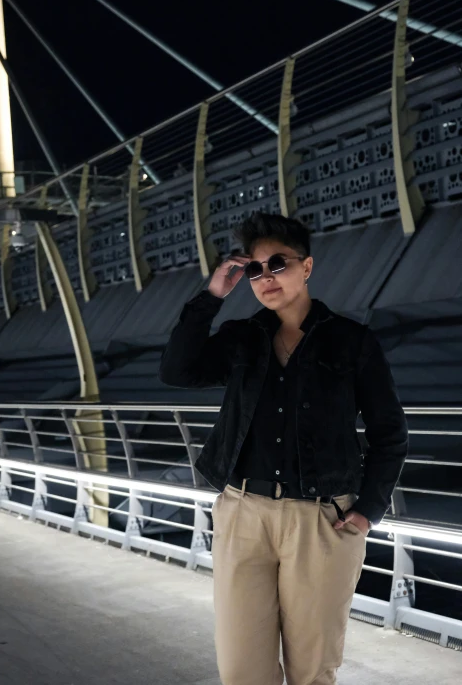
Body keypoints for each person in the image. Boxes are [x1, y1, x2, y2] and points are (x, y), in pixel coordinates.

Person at [159, 212, 408, 685]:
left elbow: (389, 432)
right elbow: (177, 370)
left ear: (307, 267)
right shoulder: (242, 339)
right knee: (240, 671)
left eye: (279, 263)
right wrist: (213, 295)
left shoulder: (352, 341)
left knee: (312, 671)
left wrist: (367, 511)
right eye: (255, 269)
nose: (266, 277)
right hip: (243, 513)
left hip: (321, 521)